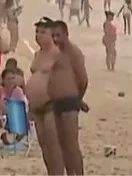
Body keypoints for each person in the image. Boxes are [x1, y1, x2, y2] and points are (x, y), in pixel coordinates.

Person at [49, 21, 88, 176]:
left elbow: (83, 79)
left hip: (70, 102)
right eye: (53, 36)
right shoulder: (58, 54)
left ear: (66, 34)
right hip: (57, 103)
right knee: (62, 145)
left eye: (58, 35)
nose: (56, 39)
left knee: (71, 145)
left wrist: (78, 99)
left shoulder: (73, 53)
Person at [27, 18, 63, 175]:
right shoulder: (37, 54)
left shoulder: (58, 54)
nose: (38, 35)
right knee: (44, 146)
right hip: (36, 107)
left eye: (43, 32)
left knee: (54, 146)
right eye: (37, 32)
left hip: (52, 105)